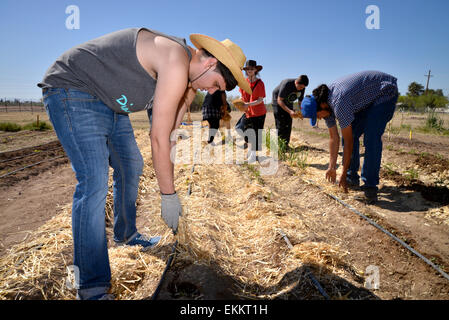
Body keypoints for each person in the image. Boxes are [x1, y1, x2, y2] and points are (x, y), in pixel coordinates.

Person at [37, 27, 251, 300]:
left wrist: (170, 188)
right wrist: (168, 196)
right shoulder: (175, 60)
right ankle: (90, 288)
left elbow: (171, 137)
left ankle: (126, 234)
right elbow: (158, 138)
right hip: (73, 88)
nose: (211, 92)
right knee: (94, 182)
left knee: (131, 165)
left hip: (110, 104)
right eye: (216, 84)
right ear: (209, 63)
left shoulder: (187, 83)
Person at [300, 70, 399, 204]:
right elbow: (333, 138)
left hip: (384, 91)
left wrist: (342, 172)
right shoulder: (326, 106)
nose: (318, 118)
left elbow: (349, 142)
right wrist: (331, 167)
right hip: (367, 99)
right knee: (352, 133)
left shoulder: (339, 103)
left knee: (371, 137)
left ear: (321, 106)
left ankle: (370, 186)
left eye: (317, 115)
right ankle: (351, 177)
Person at [237, 60, 266, 163]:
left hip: (259, 112)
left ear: (256, 70)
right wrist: (240, 102)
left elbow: (260, 100)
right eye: (248, 69)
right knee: (239, 128)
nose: (250, 70)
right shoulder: (244, 82)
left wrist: (247, 105)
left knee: (254, 134)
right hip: (248, 112)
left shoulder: (260, 83)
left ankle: (252, 155)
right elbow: (242, 95)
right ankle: (250, 152)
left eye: (252, 69)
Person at [272, 75, 309, 146]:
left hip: (288, 102)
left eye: (303, 88)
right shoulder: (287, 84)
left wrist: (301, 111)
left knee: (288, 124)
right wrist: (290, 111)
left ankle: (285, 145)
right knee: (281, 124)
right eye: (300, 87)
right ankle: (279, 146)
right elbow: (279, 100)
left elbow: (300, 101)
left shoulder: (302, 88)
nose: (301, 89)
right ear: (296, 83)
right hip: (278, 102)